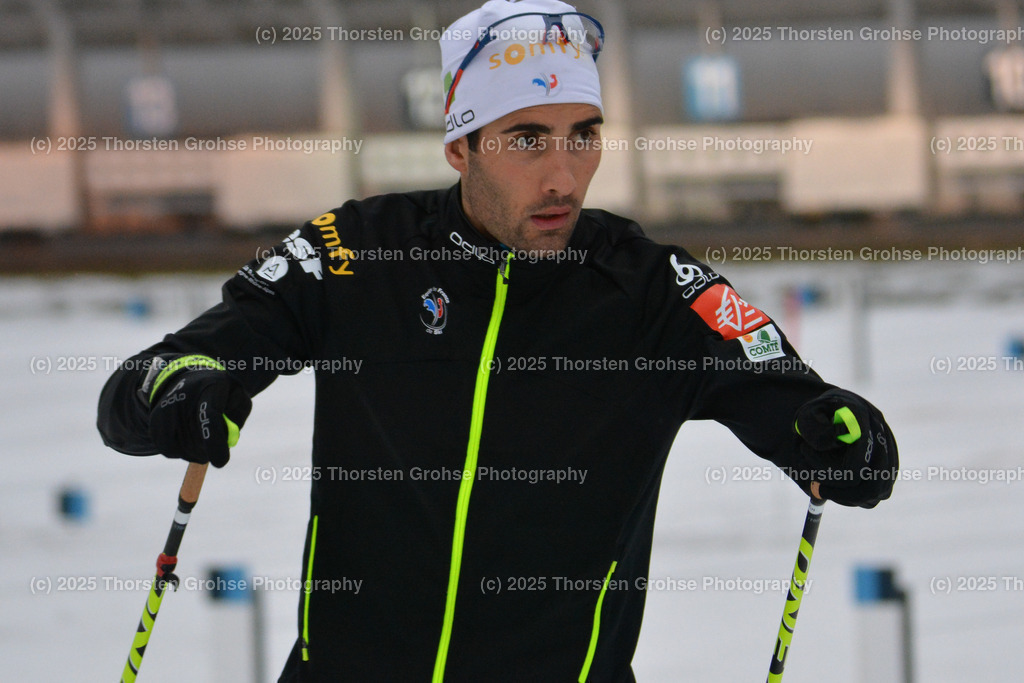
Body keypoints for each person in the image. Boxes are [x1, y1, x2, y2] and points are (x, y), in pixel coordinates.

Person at [97, 1, 898, 680]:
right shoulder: (357, 251)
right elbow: (158, 373)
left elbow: (806, 406)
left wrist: (841, 435)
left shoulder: (653, 290)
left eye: (584, 134)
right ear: (460, 145)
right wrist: (176, 389)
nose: (563, 176)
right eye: (528, 139)